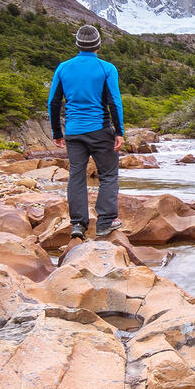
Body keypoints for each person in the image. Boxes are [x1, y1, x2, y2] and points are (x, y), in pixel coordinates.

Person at [48, 24, 124, 240]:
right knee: (108, 175)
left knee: (76, 176)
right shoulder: (107, 68)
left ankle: (78, 225)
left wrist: (56, 132)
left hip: (73, 132)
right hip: (101, 130)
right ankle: (105, 222)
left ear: (78, 44)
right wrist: (119, 131)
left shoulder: (63, 68)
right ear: (98, 45)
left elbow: (53, 102)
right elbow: (114, 102)